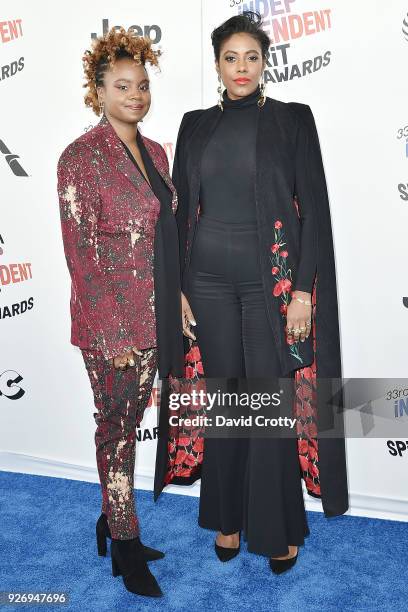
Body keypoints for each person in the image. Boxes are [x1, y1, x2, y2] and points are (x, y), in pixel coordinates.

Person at [154, 11, 348, 574]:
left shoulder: (292, 120)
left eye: (252, 57)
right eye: (230, 58)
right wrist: (181, 289)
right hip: (206, 283)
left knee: (265, 404)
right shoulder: (194, 125)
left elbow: (313, 208)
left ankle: (275, 525)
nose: (241, 68)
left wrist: (305, 294)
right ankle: (228, 519)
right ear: (216, 65)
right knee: (226, 403)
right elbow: (182, 212)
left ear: (266, 63)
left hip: (273, 287)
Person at [57, 27, 184, 597]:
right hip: (111, 327)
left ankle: (111, 520)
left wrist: (176, 297)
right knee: (117, 430)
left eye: (142, 85)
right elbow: (80, 254)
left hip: (153, 314)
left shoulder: (155, 152)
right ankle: (127, 546)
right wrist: (112, 333)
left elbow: (165, 237)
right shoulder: (80, 157)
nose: (135, 95)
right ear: (98, 92)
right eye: (122, 86)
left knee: (129, 425)